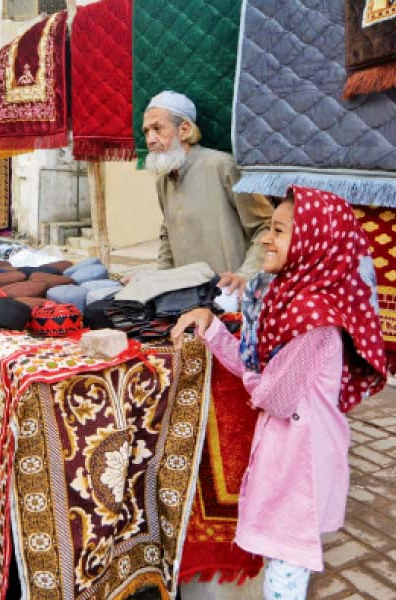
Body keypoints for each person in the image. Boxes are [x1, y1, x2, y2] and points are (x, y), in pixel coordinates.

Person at [171, 187, 387, 600]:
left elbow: (274, 397)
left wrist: (255, 376)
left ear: (313, 241)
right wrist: (213, 327)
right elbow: (259, 371)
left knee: (284, 578)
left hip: (300, 464)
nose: (267, 239)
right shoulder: (289, 298)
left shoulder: (313, 319)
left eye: (280, 231)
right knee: (284, 570)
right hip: (290, 456)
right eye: (270, 228)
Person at [138, 90, 272, 295]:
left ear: (184, 130)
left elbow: (266, 227)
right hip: (186, 294)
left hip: (228, 293)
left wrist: (246, 275)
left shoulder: (222, 166)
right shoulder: (162, 180)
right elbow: (168, 234)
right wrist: (160, 279)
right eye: (146, 132)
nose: (150, 140)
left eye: (157, 128)